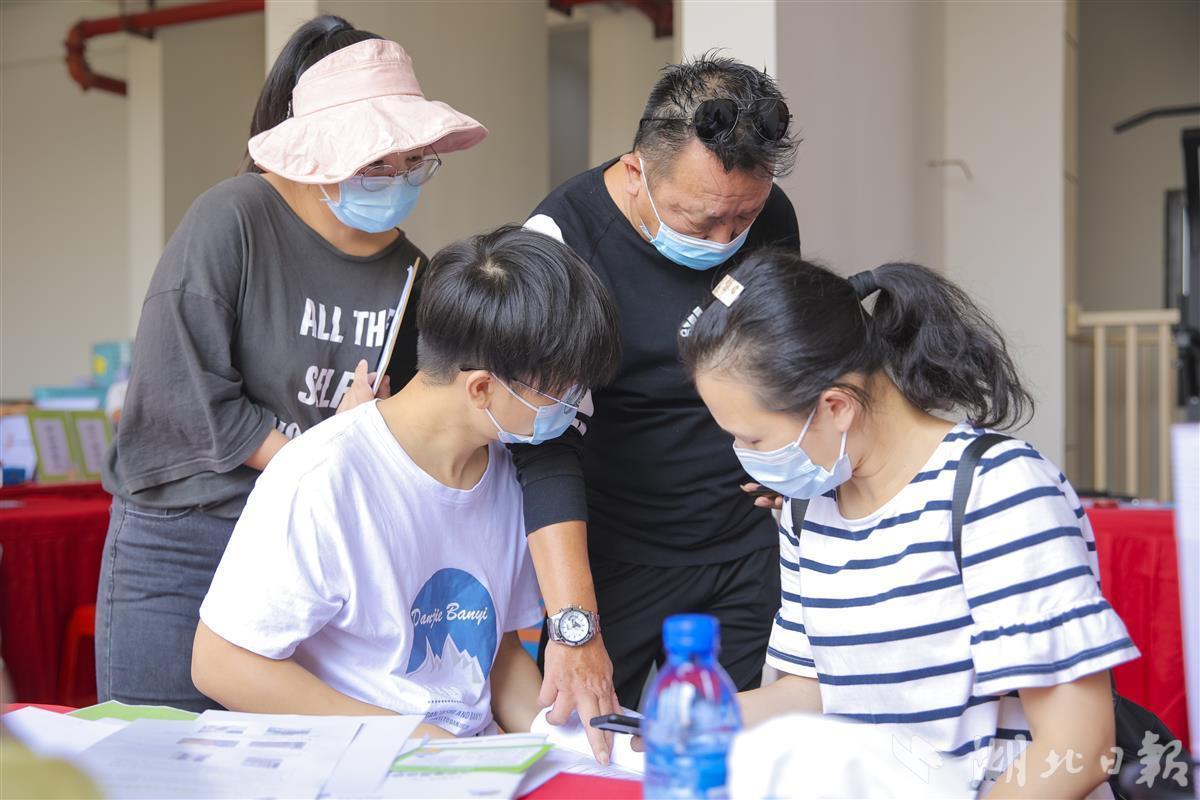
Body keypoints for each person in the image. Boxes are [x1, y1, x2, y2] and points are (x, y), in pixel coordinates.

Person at [98, 15, 487, 712]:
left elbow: (410, 421)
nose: (398, 180)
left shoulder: (411, 272)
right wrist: (329, 451)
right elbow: (188, 394)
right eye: (377, 163)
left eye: (412, 162)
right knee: (158, 748)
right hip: (190, 534)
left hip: (310, 549)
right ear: (321, 149)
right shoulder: (233, 218)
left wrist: (368, 439)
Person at [677, 250, 1138, 798]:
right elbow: (817, 690)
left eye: (753, 438)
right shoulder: (808, 509)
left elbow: (1079, 748)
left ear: (836, 407)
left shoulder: (997, 489)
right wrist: (693, 720)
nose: (745, 456)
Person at [191, 226, 621, 736]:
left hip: (467, 765)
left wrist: (564, 742)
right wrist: (412, 739)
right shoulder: (324, 476)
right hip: (355, 762)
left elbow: (493, 656)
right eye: (562, 392)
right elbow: (221, 663)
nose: (572, 407)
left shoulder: (509, 476)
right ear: (481, 388)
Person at [519, 55, 801, 717]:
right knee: (586, 738)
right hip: (612, 552)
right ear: (634, 171)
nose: (726, 240)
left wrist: (790, 459)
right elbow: (543, 446)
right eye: (701, 220)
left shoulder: (768, 216)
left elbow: (777, 359)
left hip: (741, 543)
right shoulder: (562, 241)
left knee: (728, 746)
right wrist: (574, 625)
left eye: (743, 219)